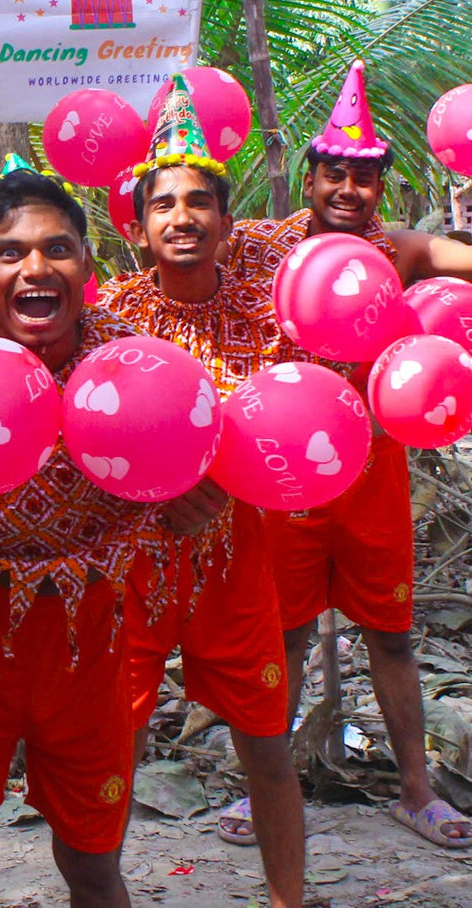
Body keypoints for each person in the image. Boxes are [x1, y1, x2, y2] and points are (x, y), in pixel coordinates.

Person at [0, 165, 190, 908]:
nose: (35, 268)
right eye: (11, 252)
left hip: (90, 642)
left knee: (93, 865)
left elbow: (188, 465)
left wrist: (189, 495)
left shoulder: (138, 368)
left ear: (86, 265)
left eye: (57, 249)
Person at [225, 59, 472, 849]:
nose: (346, 189)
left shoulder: (399, 251)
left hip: (372, 475)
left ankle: (415, 792)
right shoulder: (263, 249)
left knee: (390, 635)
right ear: (308, 179)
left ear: (377, 188)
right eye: (333, 173)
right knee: (285, 638)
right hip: (283, 477)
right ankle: (262, 793)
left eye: (362, 178)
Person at [99, 77, 303, 907]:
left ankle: (288, 900)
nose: (180, 217)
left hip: (234, 563)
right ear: (139, 225)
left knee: (266, 747)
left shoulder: (268, 314)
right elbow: (82, 437)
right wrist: (154, 498)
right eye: (162, 204)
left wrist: (222, 482)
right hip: (129, 562)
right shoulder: (106, 320)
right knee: (112, 748)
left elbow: (289, 423)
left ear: (224, 219)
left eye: (196, 202)